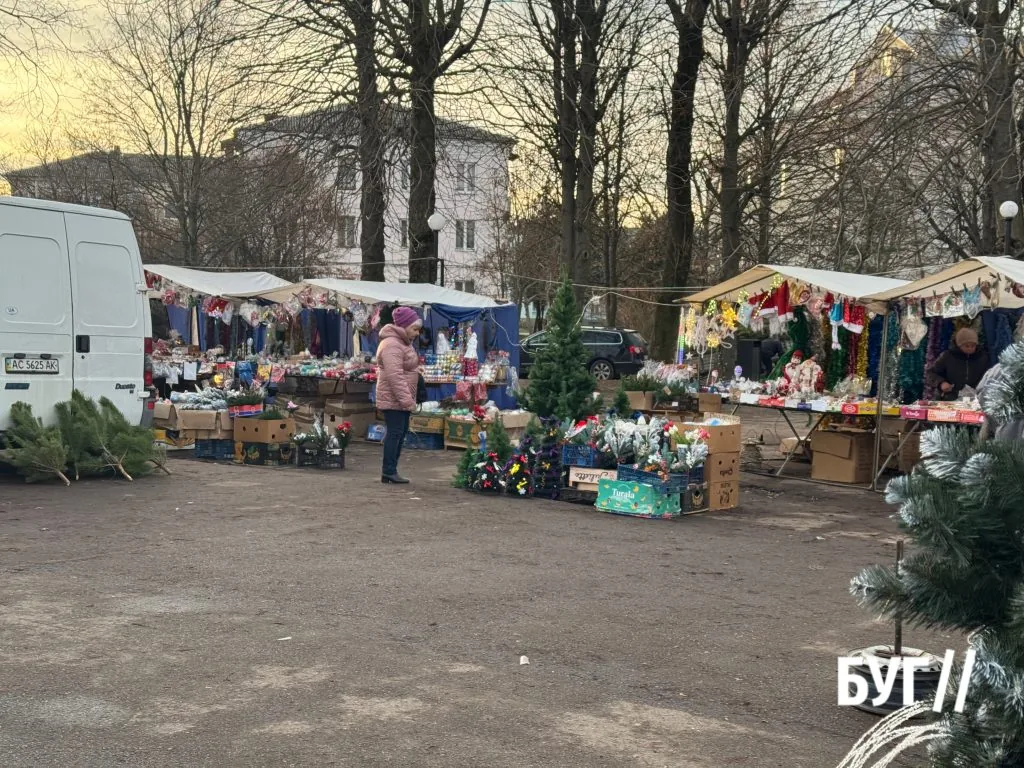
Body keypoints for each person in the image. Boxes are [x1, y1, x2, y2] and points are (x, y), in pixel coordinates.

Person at [376, 306, 423, 484]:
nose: (417, 333)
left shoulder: (402, 343)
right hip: (394, 398)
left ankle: (391, 470)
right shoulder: (392, 345)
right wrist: (407, 401)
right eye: (414, 329)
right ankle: (388, 471)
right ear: (403, 326)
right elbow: (395, 376)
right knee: (395, 434)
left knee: (399, 433)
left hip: (400, 398)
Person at [927, 327, 991, 401]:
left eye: (973, 346)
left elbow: (989, 377)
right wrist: (941, 383)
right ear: (959, 345)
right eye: (966, 346)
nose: (970, 348)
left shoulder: (983, 357)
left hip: (976, 400)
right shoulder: (948, 356)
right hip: (950, 399)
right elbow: (931, 373)